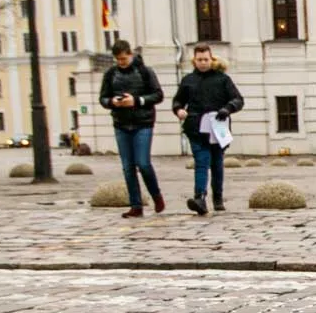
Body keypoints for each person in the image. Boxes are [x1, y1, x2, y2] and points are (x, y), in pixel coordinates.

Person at [172, 42, 244, 215]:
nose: (203, 62)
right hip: (196, 128)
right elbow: (178, 101)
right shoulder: (188, 80)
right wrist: (179, 110)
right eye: (199, 59)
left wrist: (227, 109)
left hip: (217, 128)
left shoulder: (222, 79)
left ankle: (217, 198)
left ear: (211, 59)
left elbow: (238, 99)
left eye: (206, 59)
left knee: (217, 163)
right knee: (202, 162)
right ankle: (200, 197)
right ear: (194, 61)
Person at [98, 39, 164, 217]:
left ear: (131, 55)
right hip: (121, 123)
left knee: (143, 163)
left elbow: (158, 95)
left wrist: (136, 100)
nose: (121, 62)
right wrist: (112, 102)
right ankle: (136, 205)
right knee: (127, 167)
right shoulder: (111, 74)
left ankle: (156, 194)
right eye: (118, 59)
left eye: (124, 59)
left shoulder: (145, 71)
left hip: (143, 122)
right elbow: (103, 98)